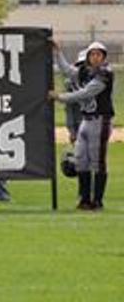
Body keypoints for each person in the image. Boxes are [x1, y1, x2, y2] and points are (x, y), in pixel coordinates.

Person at [49, 41, 114, 210]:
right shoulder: (86, 71)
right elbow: (68, 71)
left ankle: (97, 201)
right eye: (92, 54)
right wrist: (58, 53)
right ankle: (84, 200)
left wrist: (59, 97)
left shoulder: (105, 73)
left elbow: (85, 93)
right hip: (86, 120)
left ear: (104, 57)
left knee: (97, 162)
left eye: (99, 54)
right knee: (81, 161)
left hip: (100, 120)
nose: (95, 57)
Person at [64, 49, 86, 144]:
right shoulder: (71, 84)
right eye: (81, 64)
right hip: (79, 123)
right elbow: (69, 109)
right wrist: (72, 131)